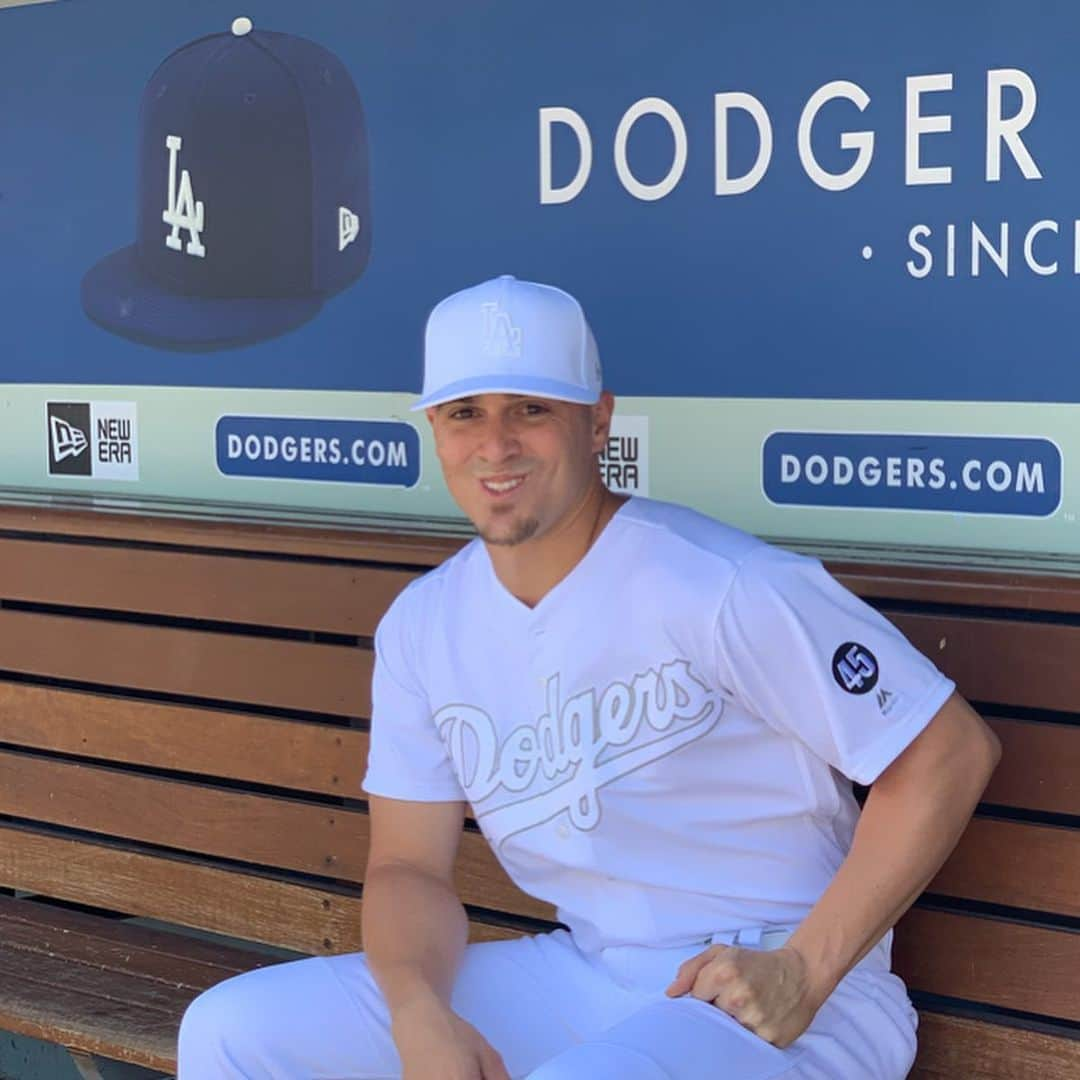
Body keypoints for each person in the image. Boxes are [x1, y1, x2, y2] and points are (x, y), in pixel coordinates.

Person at [177, 274, 1001, 1079]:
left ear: (597, 422)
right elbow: (407, 868)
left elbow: (949, 751)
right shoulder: (424, 626)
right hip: (593, 974)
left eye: (531, 410)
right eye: (467, 413)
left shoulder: (720, 583)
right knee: (233, 1032)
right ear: (434, 428)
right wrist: (418, 1010)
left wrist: (806, 971)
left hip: (786, 996)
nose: (495, 444)